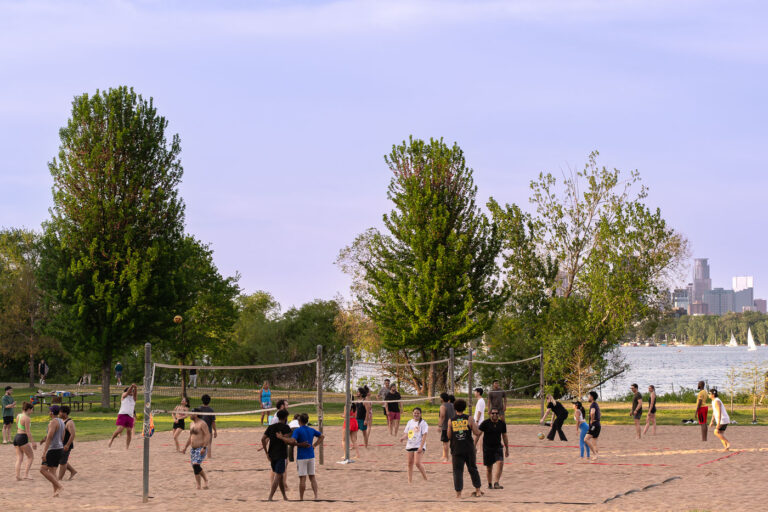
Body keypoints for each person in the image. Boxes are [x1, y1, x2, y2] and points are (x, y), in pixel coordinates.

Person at [263, 409, 307, 501]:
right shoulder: (286, 428)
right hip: (281, 454)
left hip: (271, 454)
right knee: (278, 475)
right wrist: (300, 444)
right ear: (286, 417)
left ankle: (284, 496)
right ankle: (270, 497)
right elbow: (290, 442)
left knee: (280, 476)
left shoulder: (271, 427)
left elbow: (263, 439)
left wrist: (266, 452)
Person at [448, 399, 483, 498]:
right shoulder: (469, 418)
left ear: (455, 408)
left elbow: (449, 436)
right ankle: (478, 490)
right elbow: (476, 433)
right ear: (464, 408)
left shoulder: (451, 420)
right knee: (473, 469)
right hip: (468, 448)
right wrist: (481, 429)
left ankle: (458, 494)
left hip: (456, 448)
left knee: (457, 471)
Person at [291, 412, 324, 501]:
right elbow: (322, 436)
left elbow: (293, 441)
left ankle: (301, 498)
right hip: (311, 455)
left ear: (299, 421)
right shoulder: (311, 430)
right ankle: (316, 496)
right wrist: (314, 445)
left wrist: (297, 444)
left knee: (302, 478)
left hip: (301, 456)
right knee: (312, 477)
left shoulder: (297, 430)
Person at [478, 407, 509, 489]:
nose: (494, 415)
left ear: (498, 415)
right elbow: (478, 434)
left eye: (496, 413)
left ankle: (496, 482)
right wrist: (473, 446)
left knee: (500, 462)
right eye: (493, 413)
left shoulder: (502, 424)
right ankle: (490, 484)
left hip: (498, 447)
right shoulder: (485, 423)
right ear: (489, 414)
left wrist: (507, 449)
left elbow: (504, 436)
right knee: (489, 468)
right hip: (487, 448)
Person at [39, 405, 64, 496]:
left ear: (52, 412)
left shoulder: (53, 422)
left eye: (50, 411)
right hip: (59, 448)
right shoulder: (61, 421)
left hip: (53, 449)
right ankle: (55, 492)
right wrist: (44, 439)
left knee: (42, 470)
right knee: (53, 471)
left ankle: (60, 486)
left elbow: (50, 436)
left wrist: (44, 452)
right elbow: (62, 436)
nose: (49, 412)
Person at [182, 408, 210, 489]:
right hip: (193, 449)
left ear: (196, 414)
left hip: (200, 448)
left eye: (191, 413)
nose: (190, 415)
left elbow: (208, 435)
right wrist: (185, 447)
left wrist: (204, 447)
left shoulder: (202, 424)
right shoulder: (191, 424)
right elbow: (190, 437)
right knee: (195, 467)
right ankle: (198, 484)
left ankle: (206, 480)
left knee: (196, 465)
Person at [399, 407, 428, 483]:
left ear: (420, 414)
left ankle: (425, 478)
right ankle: (410, 481)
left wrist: (421, 447)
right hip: (410, 445)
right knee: (409, 463)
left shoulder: (423, 423)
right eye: (415, 413)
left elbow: (425, 435)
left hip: (419, 445)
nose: (416, 414)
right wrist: (403, 438)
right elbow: (407, 433)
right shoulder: (410, 422)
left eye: (418, 413)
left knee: (417, 463)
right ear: (412, 413)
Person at [109, 383, 137, 449]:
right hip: (122, 414)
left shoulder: (133, 399)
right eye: (130, 391)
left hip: (130, 416)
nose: (131, 392)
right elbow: (127, 392)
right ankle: (111, 440)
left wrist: (135, 388)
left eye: (132, 391)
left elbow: (135, 394)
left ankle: (127, 447)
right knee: (120, 429)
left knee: (129, 432)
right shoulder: (124, 395)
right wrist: (132, 386)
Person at [14, 402, 36, 480]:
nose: (32, 411)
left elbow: (17, 426)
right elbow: (28, 431)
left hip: (16, 437)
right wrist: (33, 442)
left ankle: (17, 475)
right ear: (29, 409)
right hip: (22, 437)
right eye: (32, 410)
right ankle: (26, 474)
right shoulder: (27, 418)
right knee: (31, 457)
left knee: (19, 458)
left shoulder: (18, 415)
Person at [57, 405, 77, 481]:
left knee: (62, 462)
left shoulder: (69, 422)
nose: (59, 413)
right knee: (60, 460)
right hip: (60, 444)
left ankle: (59, 478)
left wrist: (67, 445)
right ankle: (73, 471)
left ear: (64, 413)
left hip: (66, 445)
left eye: (60, 412)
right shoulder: (61, 420)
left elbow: (73, 434)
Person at [198, 394, 217, 459]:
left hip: (200, 429)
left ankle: (200, 457)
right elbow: (213, 422)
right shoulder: (211, 410)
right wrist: (215, 431)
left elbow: (196, 419)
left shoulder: (199, 409)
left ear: (202, 400)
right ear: (209, 401)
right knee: (209, 443)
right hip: (208, 430)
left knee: (200, 443)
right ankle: (209, 456)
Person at [584, 391, 601, 461]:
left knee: (586, 439)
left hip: (594, 425)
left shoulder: (593, 405)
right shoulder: (596, 404)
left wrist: (591, 420)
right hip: (598, 425)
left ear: (592, 397)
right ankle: (596, 456)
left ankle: (595, 454)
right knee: (594, 442)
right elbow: (600, 414)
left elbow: (592, 412)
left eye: (589, 396)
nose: (588, 397)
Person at [438, 392, 455, 463]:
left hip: (446, 427)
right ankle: (445, 456)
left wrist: (439, 425)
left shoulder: (443, 406)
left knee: (445, 443)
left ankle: (446, 458)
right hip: (454, 425)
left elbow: (442, 416)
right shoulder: (452, 405)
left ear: (442, 398)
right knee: (453, 443)